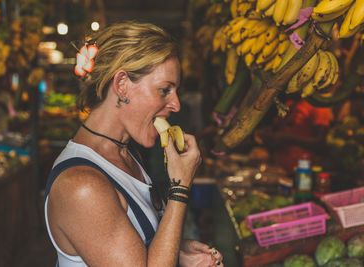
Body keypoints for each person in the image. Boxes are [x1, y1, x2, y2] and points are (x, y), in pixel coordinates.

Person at [44, 21, 224, 267]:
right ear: (122, 85)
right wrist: (180, 188)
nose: (176, 105)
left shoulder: (127, 153)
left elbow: (127, 248)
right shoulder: (81, 186)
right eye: (164, 90)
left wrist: (178, 253)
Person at [254, 96, 334, 175]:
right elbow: (278, 128)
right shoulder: (289, 104)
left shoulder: (318, 107)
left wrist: (288, 138)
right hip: (279, 170)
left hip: (303, 173)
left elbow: (320, 142)